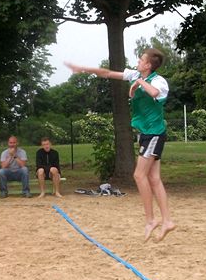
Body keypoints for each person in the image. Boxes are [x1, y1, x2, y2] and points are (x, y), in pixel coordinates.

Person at [65, 48, 176, 242]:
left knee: (139, 175)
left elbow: (154, 92)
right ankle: (167, 221)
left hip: (154, 134)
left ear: (148, 65)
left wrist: (138, 83)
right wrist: (82, 68)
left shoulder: (158, 81)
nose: (138, 61)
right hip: (146, 134)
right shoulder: (134, 74)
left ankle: (151, 220)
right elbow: (107, 73)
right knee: (154, 178)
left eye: (141, 59)